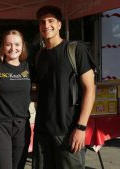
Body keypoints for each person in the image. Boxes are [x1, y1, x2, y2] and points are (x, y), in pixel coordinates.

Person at [31, 5, 96, 169]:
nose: (46, 25)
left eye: (51, 21)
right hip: (43, 133)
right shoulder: (39, 56)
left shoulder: (75, 50)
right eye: (42, 22)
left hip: (69, 131)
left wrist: (81, 127)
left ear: (59, 24)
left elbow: (90, 89)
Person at [0, 30, 31, 169]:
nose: (13, 48)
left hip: (22, 124)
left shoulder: (28, 66)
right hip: (1, 125)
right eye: (8, 44)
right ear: (3, 46)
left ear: (22, 46)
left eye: (17, 44)